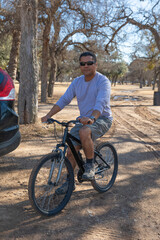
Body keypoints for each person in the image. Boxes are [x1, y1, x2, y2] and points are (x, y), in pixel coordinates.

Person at [41, 51, 113, 194]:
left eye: (89, 63)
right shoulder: (77, 82)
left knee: (84, 131)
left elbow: (101, 103)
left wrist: (92, 118)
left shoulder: (102, 81)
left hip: (101, 118)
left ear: (96, 64)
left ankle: (90, 166)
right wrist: (48, 115)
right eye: (82, 63)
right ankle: (69, 182)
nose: (86, 66)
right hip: (84, 120)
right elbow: (64, 99)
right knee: (70, 151)